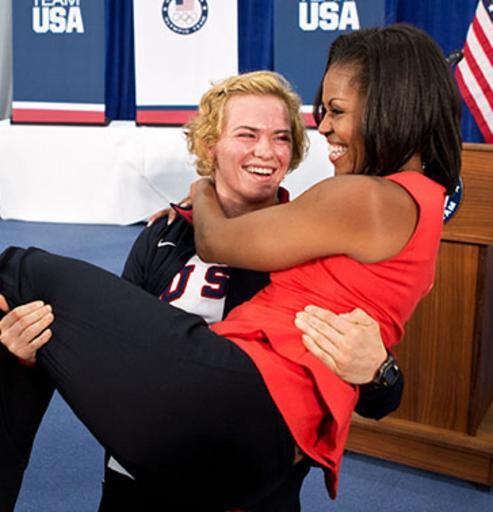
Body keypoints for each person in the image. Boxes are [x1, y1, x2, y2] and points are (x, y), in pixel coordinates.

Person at [0, 23, 460, 510]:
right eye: (247, 134)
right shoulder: (162, 237)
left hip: (241, 429)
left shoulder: (334, 219)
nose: (270, 148)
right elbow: (109, 342)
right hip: (168, 457)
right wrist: (30, 349)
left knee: (20, 267)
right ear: (210, 146)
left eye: (283, 137)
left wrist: (380, 371)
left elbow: (217, 241)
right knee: (26, 321)